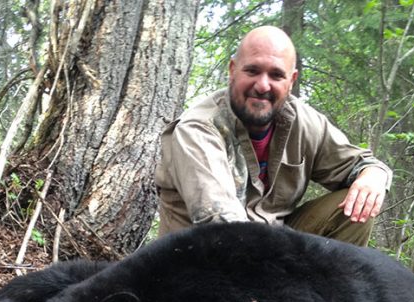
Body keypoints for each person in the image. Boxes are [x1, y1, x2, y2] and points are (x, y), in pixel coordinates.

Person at [155, 26, 392, 246]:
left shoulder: (305, 123)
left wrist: (373, 177)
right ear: (232, 70)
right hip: (202, 258)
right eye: (252, 70)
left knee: (355, 206)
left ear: (292, 81)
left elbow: (363, 164)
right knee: (231, 244)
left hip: (271, 246)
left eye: (276, 75)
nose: (263, 85)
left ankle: (326, 291)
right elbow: (223, 226)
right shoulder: (199, 128)